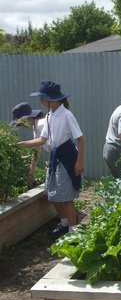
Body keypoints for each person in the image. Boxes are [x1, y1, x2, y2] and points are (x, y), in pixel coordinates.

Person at [17, 81, 85, 236]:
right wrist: (20, 144)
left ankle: (73, 233)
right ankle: (64, 223)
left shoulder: (67, 115)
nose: (40, 101)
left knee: (67, 198)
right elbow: (42, 140)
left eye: (42, 98)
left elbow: (81, 139)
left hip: (68, 158)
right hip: (56, 157)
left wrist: (79, 162)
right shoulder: (49, 115)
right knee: (50, 193)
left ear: (51, 99)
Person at [10, 102, 49, 186]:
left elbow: (57, 143)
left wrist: (18, 144)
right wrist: (31, 172)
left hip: (64, 155)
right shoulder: (36, 125)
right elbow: (36, 148)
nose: (22, 126)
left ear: (27, 118)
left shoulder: (41, 124)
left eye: (21, 124)